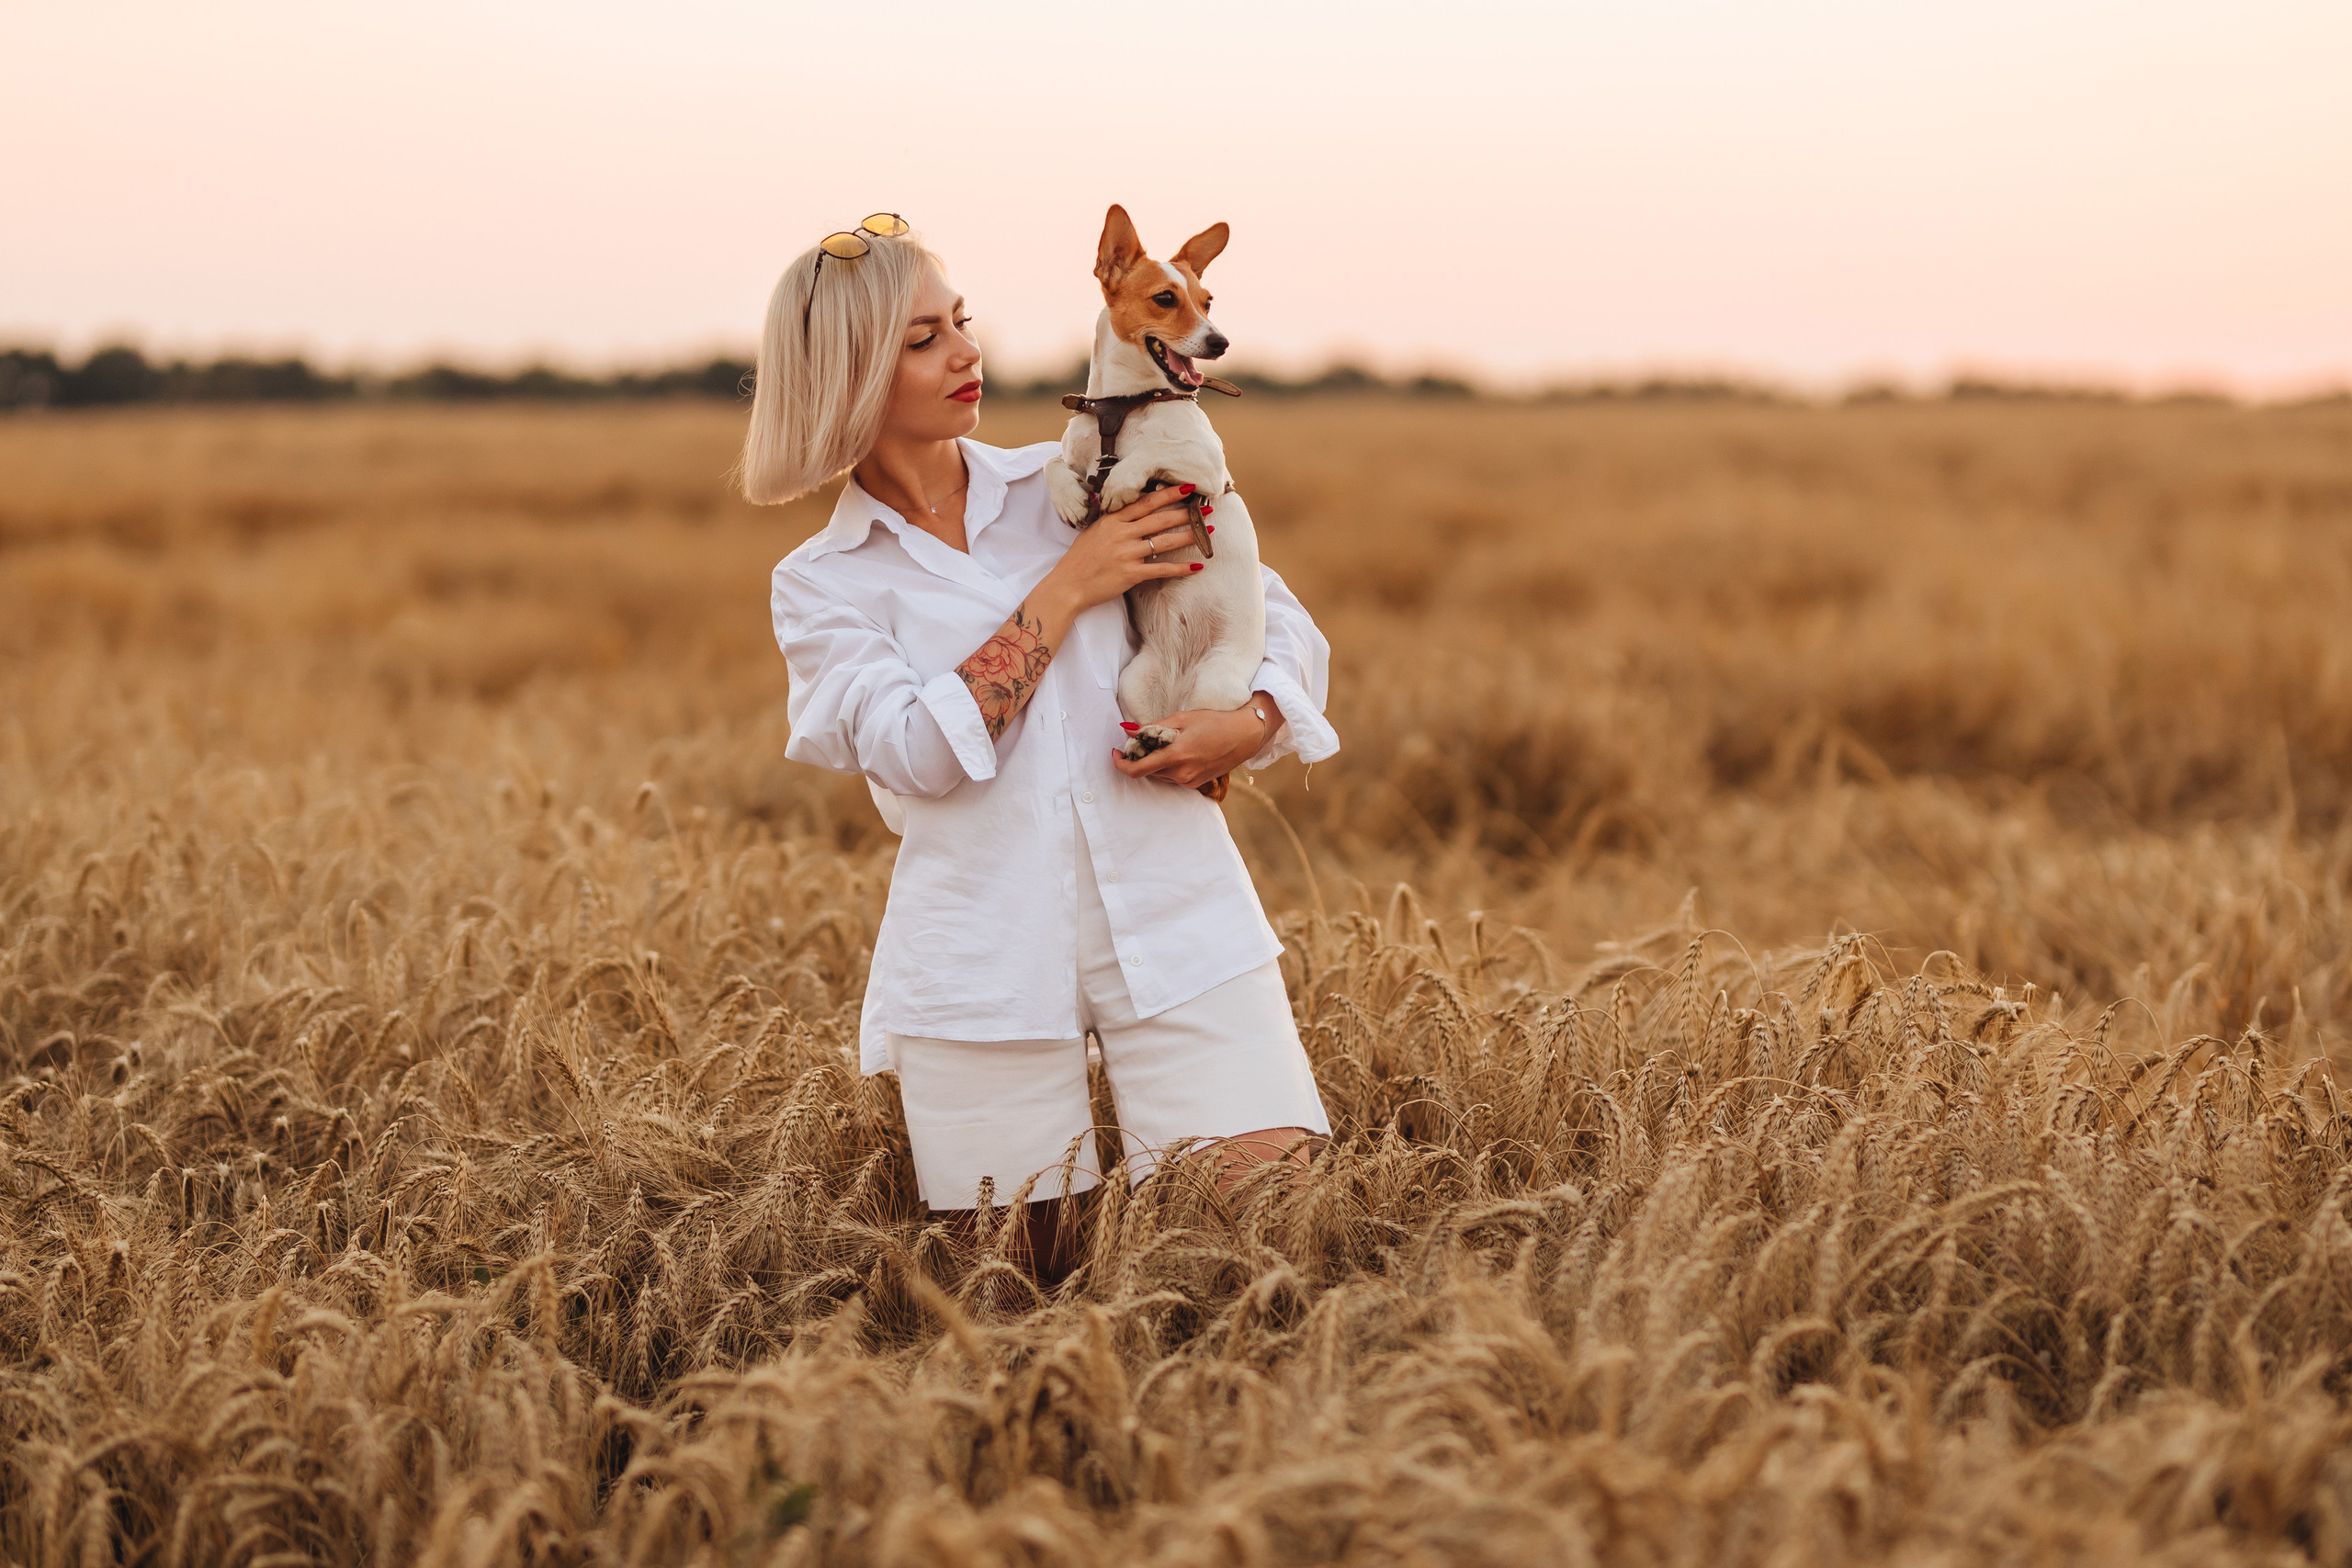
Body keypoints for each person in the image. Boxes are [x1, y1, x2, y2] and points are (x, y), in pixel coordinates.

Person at [744, 215, 1338, 1286]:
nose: (967, 352)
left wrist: (1247, 723)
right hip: (981, 968)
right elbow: (920, 753)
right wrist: (1070, 586)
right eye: (923, 339)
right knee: (1022, 1302)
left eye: (960, 322)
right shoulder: (822, 586)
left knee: (1275, 1257)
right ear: (849, 369)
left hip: (1180, 920)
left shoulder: (1074, 477)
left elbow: (1265, 602)